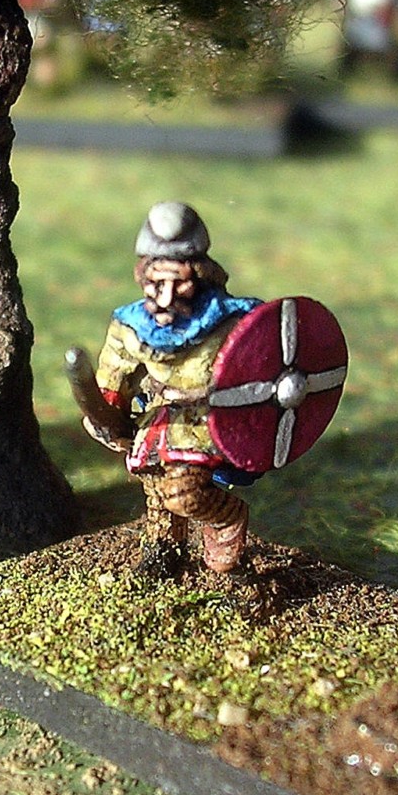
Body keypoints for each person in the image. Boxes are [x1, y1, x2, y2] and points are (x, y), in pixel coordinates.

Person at [88, 202, 260, 575]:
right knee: (155, 486)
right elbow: (115, 371)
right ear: (143, 278)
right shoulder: (131, 324)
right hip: (159, 417)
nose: (165, 296)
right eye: (156, 283)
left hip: (208, 422)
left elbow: (267, 361)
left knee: (184, 494)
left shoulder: (234, 319)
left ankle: (227, 520)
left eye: (177, 282)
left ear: (199, 276)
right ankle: (165, 551)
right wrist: (106, 410)